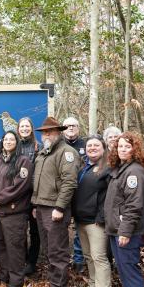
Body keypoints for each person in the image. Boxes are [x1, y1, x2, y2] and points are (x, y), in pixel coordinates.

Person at [31, 117, 81, 287]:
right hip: (42, 208)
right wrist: (36, 205)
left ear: (58, 132)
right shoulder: (44, 153)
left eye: (50, 131)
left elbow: (69, 182)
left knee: (58, 252)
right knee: (49, 250)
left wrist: (59, 207)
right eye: (44, 132)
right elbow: (40, 182)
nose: (46, 135)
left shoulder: (67, 152)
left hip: (55, 209)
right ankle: (53, 285)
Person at [104, 132, 144, 287]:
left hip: (126, 231)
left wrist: (125, 231)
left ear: (135, 149)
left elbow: (134, 205)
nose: (122, 149)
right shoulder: (121, 169)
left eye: (127, 146)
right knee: (123, 270)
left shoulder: (135, 172)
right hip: (115, 229)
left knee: (131, 271)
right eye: (119, 146)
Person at [0, 131, 34, 287]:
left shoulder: (23, 161)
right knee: (0, 247)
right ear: (1, 142)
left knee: (15, 248)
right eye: (5, 139)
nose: (8, 141)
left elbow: (20, 186)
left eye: (11, 139)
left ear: (17, 142)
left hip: (15, 214)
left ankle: (16, 281)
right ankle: (4, 276)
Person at [72, 135, 113, 287]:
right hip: (81, 220)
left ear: (103, 148)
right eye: (89, 146)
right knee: (88, 256)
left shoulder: (108, 168)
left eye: (96, 145)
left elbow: (110, 197)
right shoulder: (83, 166)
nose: (92, 148)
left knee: (99, 257)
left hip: (96, 222)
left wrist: (101, 217)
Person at [17, 117, 41, 276]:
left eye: (27, 126)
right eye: (22, 126)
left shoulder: (38, 146)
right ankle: (23, 259)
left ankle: (32, 262)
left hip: (34, 195)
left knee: (35, 231)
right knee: (19, 230)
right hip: (18, 195)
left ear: (31, 129)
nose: (25, 128)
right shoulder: (14, 146)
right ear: (18, 129)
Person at [62, 116, 85, 272]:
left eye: (74, 125)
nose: (70, 128)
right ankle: (62, 260)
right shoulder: (58, 145)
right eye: (67, 126)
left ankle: (78, 260)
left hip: (81, 194)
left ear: (78, 128)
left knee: (79, 229)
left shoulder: (86, 145)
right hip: (62, 194)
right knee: (61, 228)